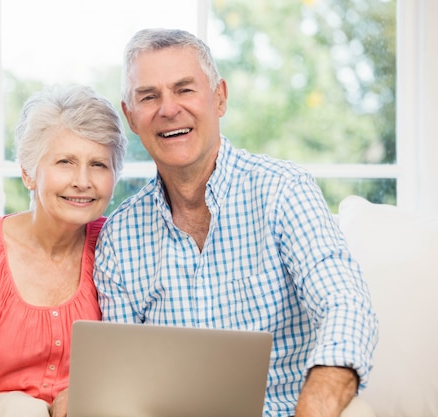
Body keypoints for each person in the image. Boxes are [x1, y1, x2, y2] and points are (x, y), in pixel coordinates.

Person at [93, 28, 379, 417]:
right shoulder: (120, 236)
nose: (168, 109)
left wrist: (313, 409)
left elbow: (344, 305)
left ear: (220, 98)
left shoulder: (282, 190)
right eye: (149, 96)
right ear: (130, 117)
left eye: (185, 89)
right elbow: (124, 383)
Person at [0, 84, 127, 417]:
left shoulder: (117, 245)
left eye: (99, 164)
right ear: (29, 172)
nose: (83, 181)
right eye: (65, 162)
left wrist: (81, 394)